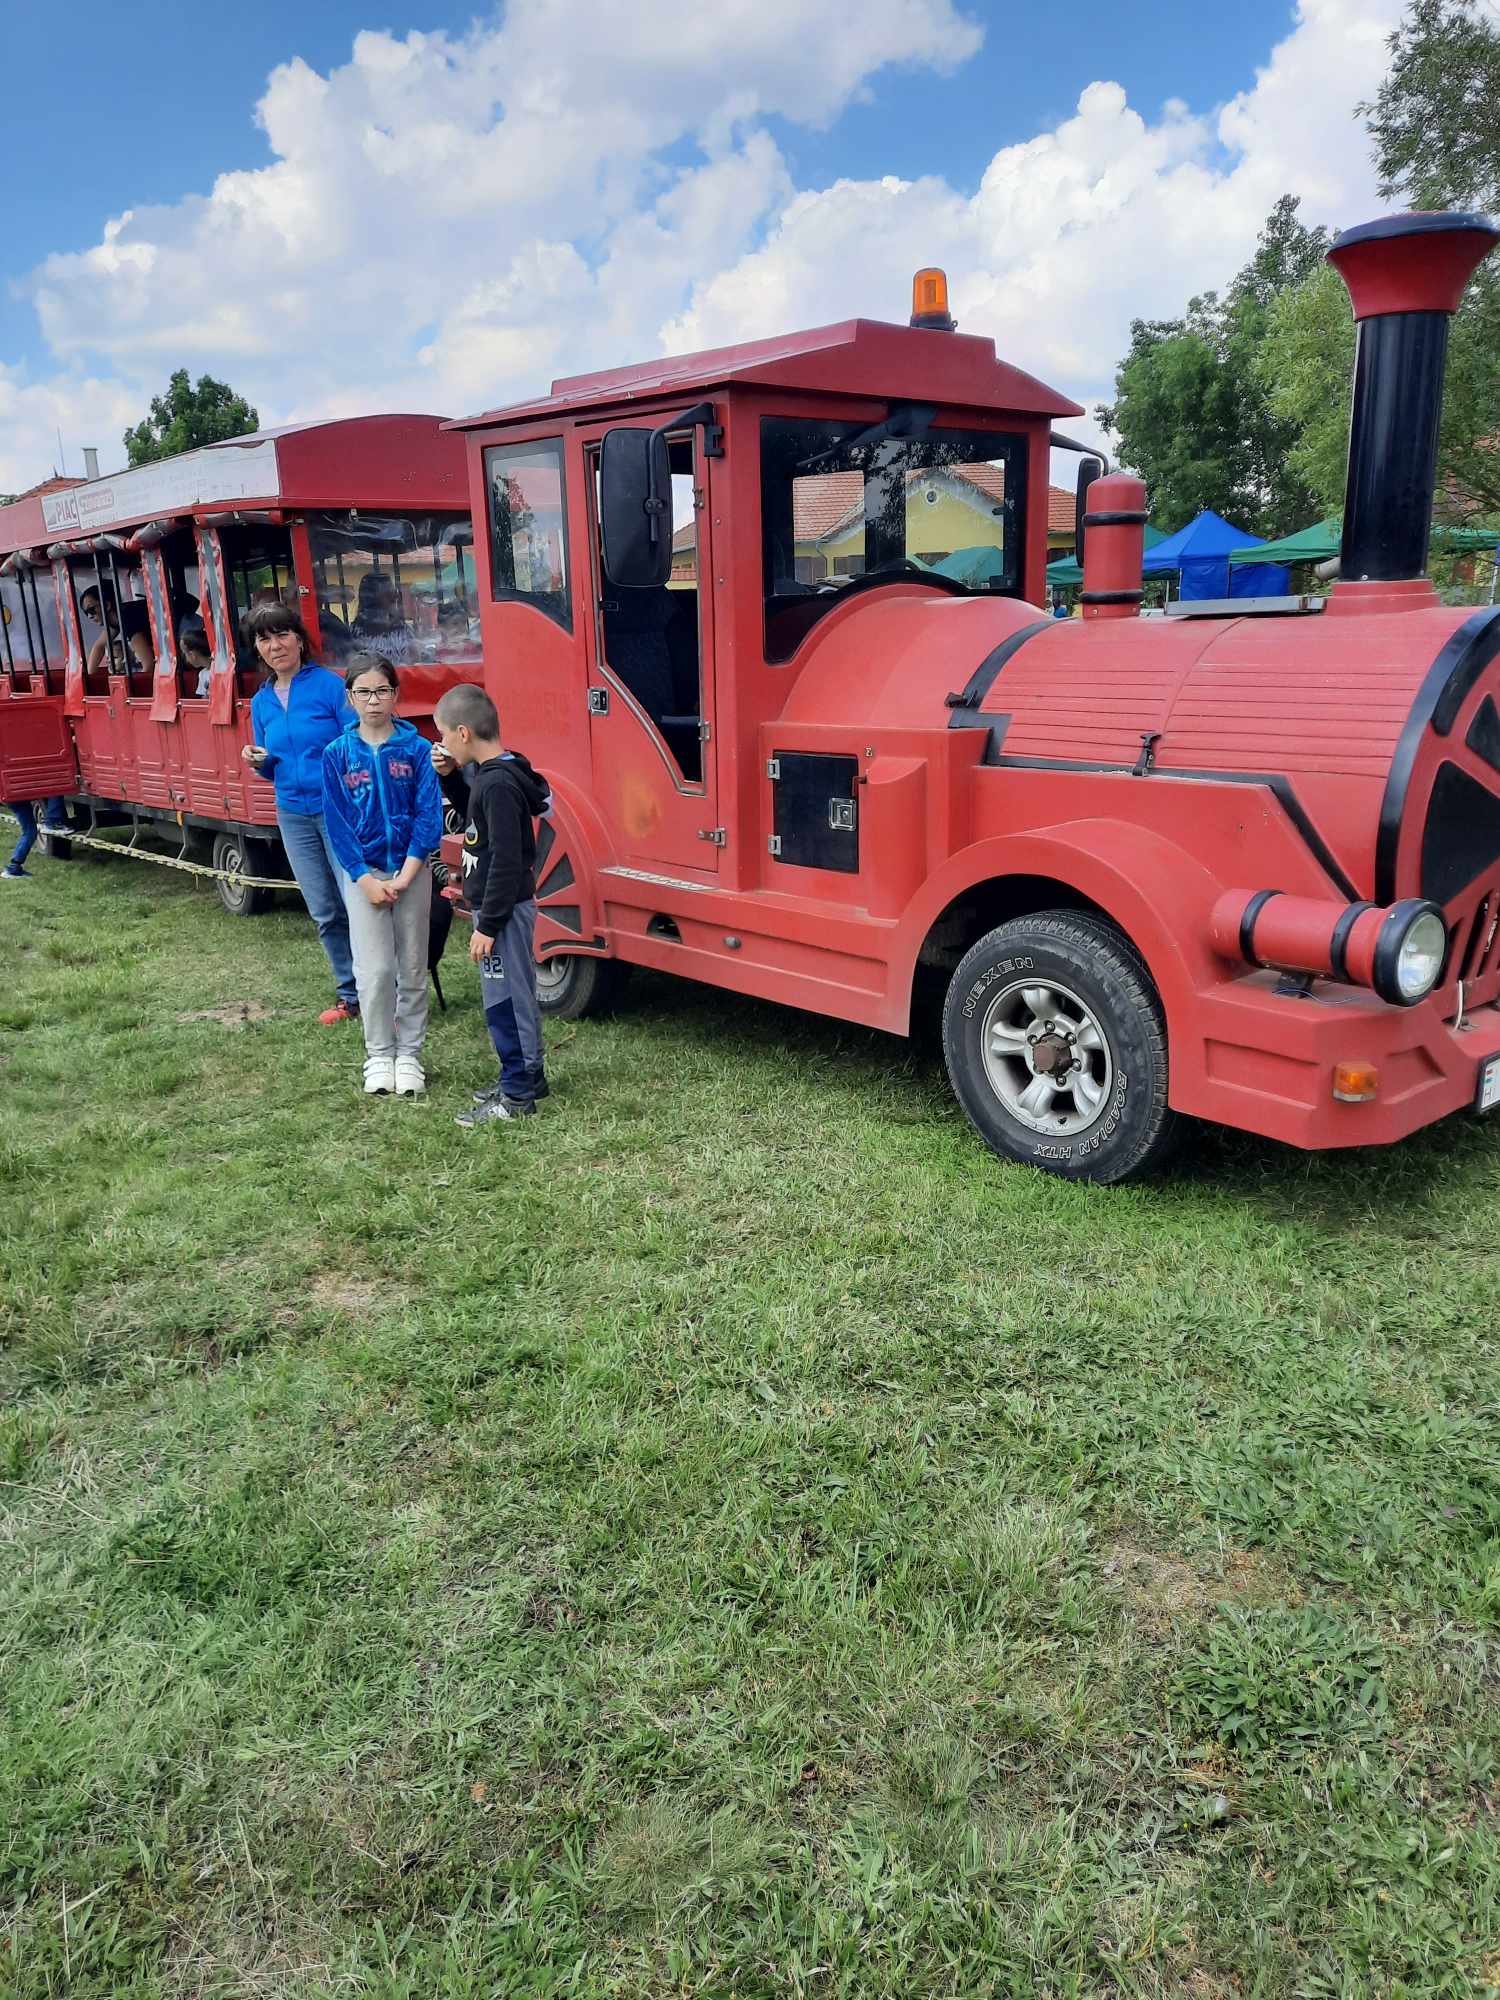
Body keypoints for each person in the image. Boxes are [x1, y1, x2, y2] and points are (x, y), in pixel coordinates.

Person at [321, 655, 443, 1097]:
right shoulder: (336, 754)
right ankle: (379, 1053)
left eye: (382, 691)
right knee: (375, 970)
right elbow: (337, 823)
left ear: (395, 695)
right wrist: (364, 878)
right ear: (350, 698)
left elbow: (428, 815)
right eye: (364, 692)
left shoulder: (417, 750)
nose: (373, 701)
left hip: (411, 869)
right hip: (365, 876)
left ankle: (409, 1053)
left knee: (411, 966)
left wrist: (408, 874)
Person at [430, 683, 551, 1125]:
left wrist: (488, 925)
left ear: (463, 732)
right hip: (502, 910)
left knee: (504, 1000)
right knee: (515, 993)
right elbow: (474, 821)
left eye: (444, 735)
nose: (442, 743)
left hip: (502, 912)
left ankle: (516, 1095)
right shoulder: (494, 772)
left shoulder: (498, 783)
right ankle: (529, 1076)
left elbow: (506, 859)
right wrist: (450, 777)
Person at [241, 602, 361, 1025]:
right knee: (323, 909)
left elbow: (357, 741)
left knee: (357, 902)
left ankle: (386, 988)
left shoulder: (330, 686)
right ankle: (350, 995)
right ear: (257, 648)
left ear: (299, 639)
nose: (275, 646)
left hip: (337, 809)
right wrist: (259, 761)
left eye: (282, 635)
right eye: (264, 639)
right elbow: (271, 766)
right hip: (292, 813)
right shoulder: (261, 701)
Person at [79, 582, 153, 677]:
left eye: (91, 610)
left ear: (107, 605)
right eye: (86, 613)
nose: (89, 616)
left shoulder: (128, 619)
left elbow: (149, 666)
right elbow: (99, 646)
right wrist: (89, 678)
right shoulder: (116, 619)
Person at [350, 572, 415, 664]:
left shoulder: (403, 629)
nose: (395, 597)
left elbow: (414, 661)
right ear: (373, 600)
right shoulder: (354, 634)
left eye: (394, 592)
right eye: (389, 594)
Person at [2, 796, 67, 880]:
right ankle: (13, 868)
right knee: (29, 832)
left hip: (14, 799)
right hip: (18, 799)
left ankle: (14, 867)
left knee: (30, 831)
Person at [179, 618, 213, 696]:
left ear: (192, 655)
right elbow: (203, 699)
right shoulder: (202, 674)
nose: (186, 659)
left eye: (185, 654)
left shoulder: (208, 673)